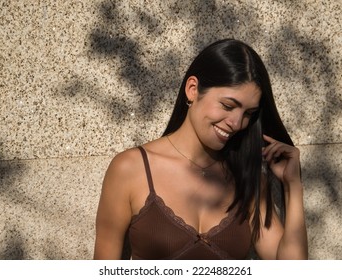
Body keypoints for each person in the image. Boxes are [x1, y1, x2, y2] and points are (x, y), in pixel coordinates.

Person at [94, 39, 308, 260]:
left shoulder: (247, 179)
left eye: (248, 114)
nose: (236, 123)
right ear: (192, 89)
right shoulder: (130, 169)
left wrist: (292, 186)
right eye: (227, 105)